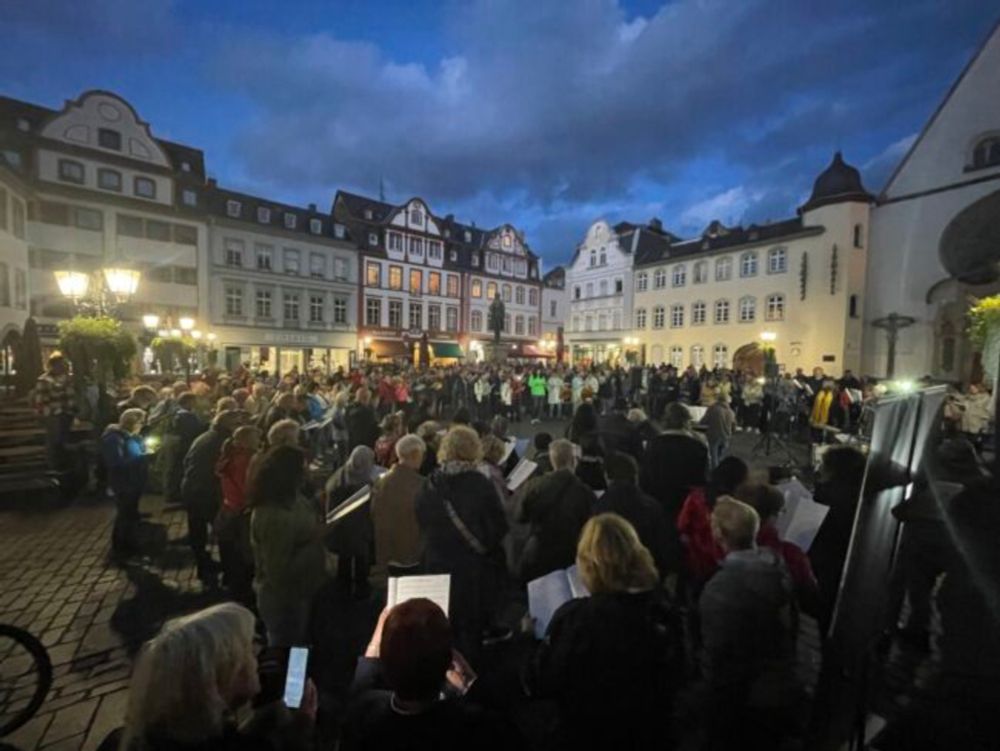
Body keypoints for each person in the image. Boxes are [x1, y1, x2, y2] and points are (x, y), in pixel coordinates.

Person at [530, 514, 683, 751]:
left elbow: (542, 681)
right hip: (652, 734)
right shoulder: (664, 610)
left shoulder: (576, 619)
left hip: (588, 736)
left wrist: (526, 640)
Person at [116, 602, 316, 751]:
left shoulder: (131, 739)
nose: (257, 652)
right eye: (247, 647)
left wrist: (259, 722)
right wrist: (300, 732)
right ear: (221, 674)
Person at [343, 599, 517, 751]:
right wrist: (470, 684)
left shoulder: (364, 717)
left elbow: (361, 690)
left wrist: (376, 647)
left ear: (385, 665)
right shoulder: (471, 727)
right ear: (449, 662)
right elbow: (506, 731)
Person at [698, 497, 801, 749]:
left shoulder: (721, 588)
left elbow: (719, 656)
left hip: (742, 699)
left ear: (719, 534)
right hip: (780, 683)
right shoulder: (778, 567)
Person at [414, 426, 508, 662]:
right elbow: (498, 525)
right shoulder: (479, 483)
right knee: (470, 628)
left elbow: (422, 520)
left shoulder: (429, 483)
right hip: (471, 569)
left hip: (436, 563)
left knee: (442, 625)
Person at [250, 445, 327, 646]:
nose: (308, 471)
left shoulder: (291, 497)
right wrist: (314, 540)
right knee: (290, 650)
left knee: (302, 643)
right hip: (285, 600)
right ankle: (294, 678)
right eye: (303, 468)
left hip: (303, 590)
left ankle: (301, 676)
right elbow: (279, 571)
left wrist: (316, 504)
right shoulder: (273, 516)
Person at [516, 439, 594, 582]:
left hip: (539, 553)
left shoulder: (534, 486)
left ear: (552, 460)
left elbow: (520, 517)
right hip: (571, 555)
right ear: (573, 460)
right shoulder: (584, 492)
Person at [182, 410, 244, 583]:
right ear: (227, 425)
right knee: (224, 531)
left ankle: (204, 564)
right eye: (236, 424)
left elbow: (187, 461)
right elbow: (222, 470)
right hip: (206, 492)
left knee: (197, 531)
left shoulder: (205, 436)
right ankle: (229, 572)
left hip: (191, 488)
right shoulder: (221, 442)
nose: (238, 427)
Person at [743, 483, 819, 616]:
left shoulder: (730, 542)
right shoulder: (791, 554)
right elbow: (810, 591)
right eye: (781, 511)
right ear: (773, 514)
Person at [595, 451, 672, 580]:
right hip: (647, 578)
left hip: (612, 578)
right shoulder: (653, 506)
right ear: (635, 476)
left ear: (607, 477)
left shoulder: (599, 508)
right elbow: (666, 549)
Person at [677, 456, 750, 590]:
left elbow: (682, 526)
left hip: (694, 561)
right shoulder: (737, 507)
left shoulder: (696, 497)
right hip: (722, 565)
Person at [326, 446, 380, 598]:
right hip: (359, 529)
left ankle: (343, 592)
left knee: (344, 562)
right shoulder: (363, 482)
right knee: (361, 562)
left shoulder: (339, 476)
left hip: (341, 530)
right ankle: (361, 594)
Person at [215, 425, 261, 606]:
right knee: (244, 558)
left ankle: (232, 587)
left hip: (228, 510)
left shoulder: (229, 455)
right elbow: (248, 489)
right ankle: (244, 598)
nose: (260, 442)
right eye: (256, 439)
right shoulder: (246, 460)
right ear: (247, 441)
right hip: (241, 514)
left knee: (230, 555)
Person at [371, 435, 426, 570]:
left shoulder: (381, 481)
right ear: (415, 454)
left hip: (387, 552)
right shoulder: (421, 484)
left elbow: (374, 514)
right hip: (412, 553)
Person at [101, 408, 149, 557]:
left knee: (131, 514)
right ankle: (120, 548)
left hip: (133, 482)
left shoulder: (130, 437)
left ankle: (131, 545)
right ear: (132, 422)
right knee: (124, 515)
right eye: (140, 422)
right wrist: (142, 458)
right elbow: (116, 463)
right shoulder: (114, 439)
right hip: (123, 483)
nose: (142, 425)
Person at [31, 352, 76, 473]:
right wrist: (42, 414)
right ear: (53, 365)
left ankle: (63, 465)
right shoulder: (44, 380)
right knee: (54, 440)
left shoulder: (68, 378)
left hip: (67, 413)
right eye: (59, 365)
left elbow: (72, 396)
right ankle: (53, 466)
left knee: (64, 440)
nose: (62, 367)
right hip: (52, 414)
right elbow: (40, 400)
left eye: (63, 364)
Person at [163, 392, 205, 505]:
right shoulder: (184, 416)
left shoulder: (180, 414)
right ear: (188, 402)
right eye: (194, 401)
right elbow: (191, 431)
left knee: (175, 470)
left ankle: (173, 493)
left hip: (180, 445)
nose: (196, 403)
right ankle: (174, 494)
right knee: (177, 470)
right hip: (183, 447)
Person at [700, 395, 736, 469]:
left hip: (714, 436)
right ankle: (719, 471)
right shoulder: (731, 411)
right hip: (726, 437)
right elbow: (734, 426)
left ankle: (715, 474)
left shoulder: (713, 408)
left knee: (714, 457)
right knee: (720, 457)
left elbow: (704, 421)